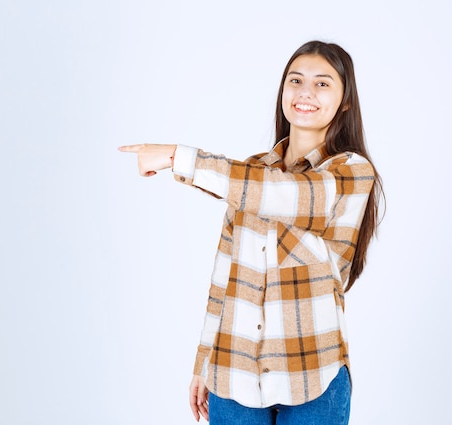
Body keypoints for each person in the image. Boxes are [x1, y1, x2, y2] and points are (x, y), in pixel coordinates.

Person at [119, 40, 383, 425]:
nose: (305, 92)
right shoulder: (250, 171)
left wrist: (179, 156)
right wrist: (203, 361)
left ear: (345, 101)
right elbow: (225, 278)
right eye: (295, 81)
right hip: (233, 378)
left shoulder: (351, 172)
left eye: (322, 83)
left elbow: (281, 196)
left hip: (314, 378)